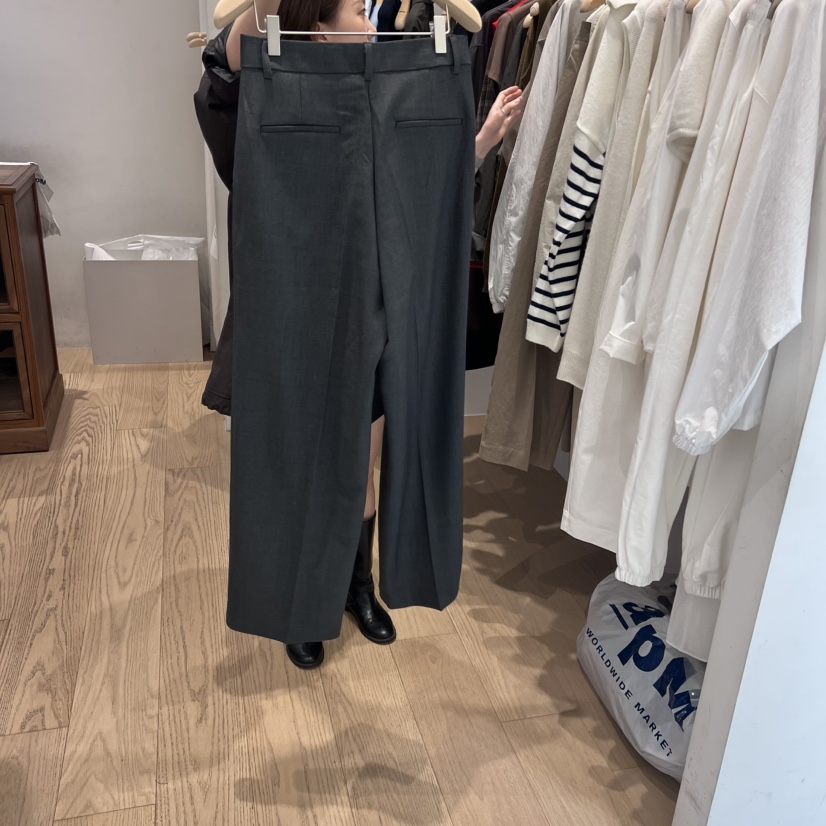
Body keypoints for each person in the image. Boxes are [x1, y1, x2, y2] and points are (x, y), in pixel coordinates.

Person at [196, 0, 522, 670]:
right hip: (298, 282)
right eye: (354, 9)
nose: (372, 20)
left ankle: (356, 586)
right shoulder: (263, 71)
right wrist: (262, 13)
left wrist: (478, 141)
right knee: (306, 452)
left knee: (367, 450)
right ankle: (300, 603)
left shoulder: (403, 73)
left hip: (383, 271)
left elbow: (416, 192)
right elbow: (220, 74)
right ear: (316, 21)